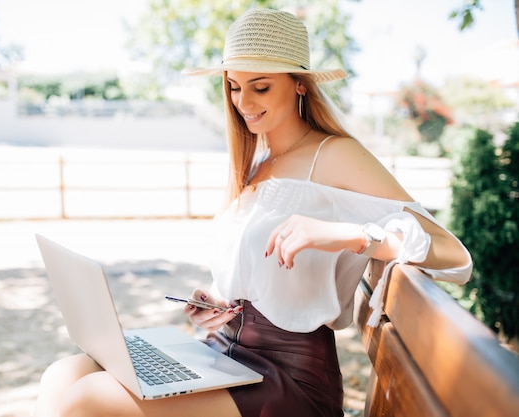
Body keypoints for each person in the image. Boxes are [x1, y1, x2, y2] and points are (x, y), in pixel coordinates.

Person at [34, 9, 472, 417]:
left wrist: (348, 234)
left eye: (260, 86)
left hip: (290, 379)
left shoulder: (334, 155)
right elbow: (264, 277)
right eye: (233, 86)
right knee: (62, 376)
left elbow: (451, 255)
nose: (243, 102)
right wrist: (217, 301)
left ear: (299, 83)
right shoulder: (257, 164)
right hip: (224, 351)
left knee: (88, 401)